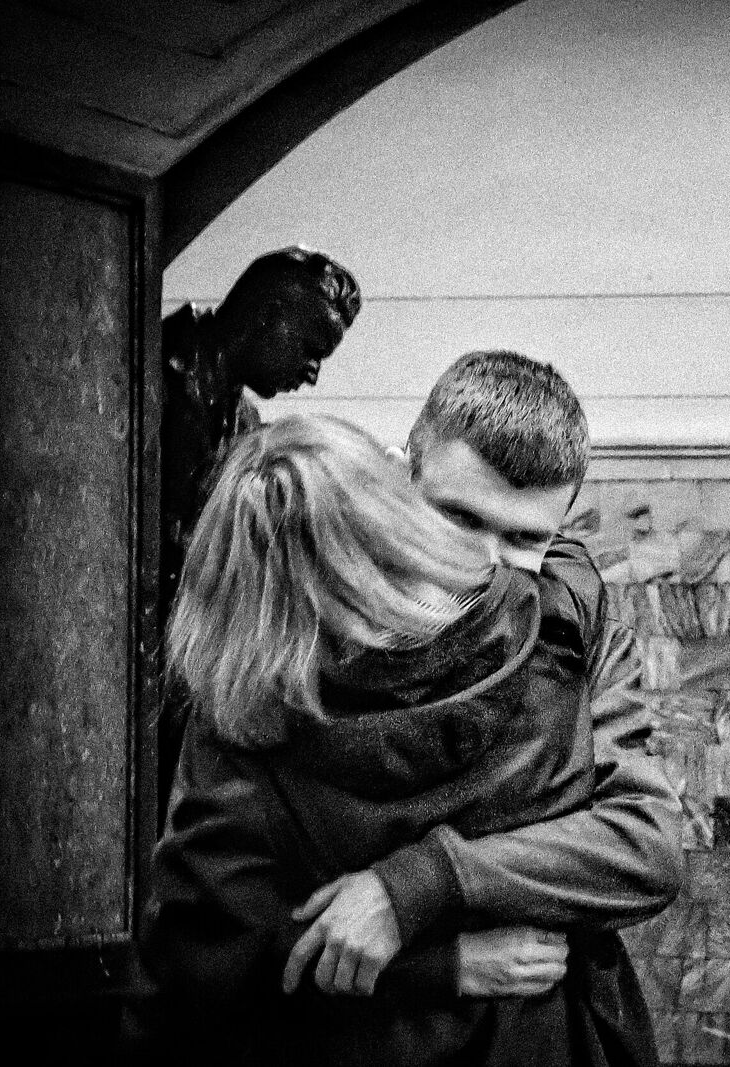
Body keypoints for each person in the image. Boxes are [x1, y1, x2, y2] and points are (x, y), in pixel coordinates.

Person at [138, 414, 681, 1066]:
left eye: (525, 537)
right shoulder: (541, 624)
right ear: (402, 487)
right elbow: (213, 950)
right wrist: (441, 960)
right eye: (459, 519)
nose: (485, 558)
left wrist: (416, 892)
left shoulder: (552, 619)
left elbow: (643, 845)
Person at [159, 246, 362, 810]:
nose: (312, 375)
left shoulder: (247, 425)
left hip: (184, 664)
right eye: (310, 350)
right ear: (269, 315)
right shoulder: (148, 367)